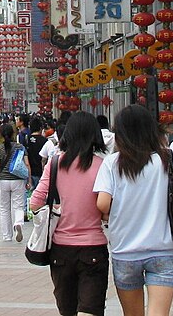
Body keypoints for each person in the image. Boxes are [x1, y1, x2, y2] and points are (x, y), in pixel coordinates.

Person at [94, 104, 173, 316]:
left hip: (125, 252)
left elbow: (102, 204)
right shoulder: (166, 157)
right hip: (162, 250)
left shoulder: (112, 163)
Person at [31, 111, 108, 316]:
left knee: (68, 311)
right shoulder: (103, 166)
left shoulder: (55, 164)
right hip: (93, 248)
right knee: (90, 310)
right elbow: (107, 208)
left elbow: (35, 202)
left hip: (61, 251)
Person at [0, 123, 30, 242]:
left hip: (4, 181)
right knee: (18, 205)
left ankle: (7, 235)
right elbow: (26, 164)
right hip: (18, 180)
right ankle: (18, 223)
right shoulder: (20, 147)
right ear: (13, 134)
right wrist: (29, 179)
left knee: (4, 208)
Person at [26, 118, 47, 188]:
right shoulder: (45, 141)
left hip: (28, 172)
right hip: (40, 172)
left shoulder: (26, 139)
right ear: (40, 128)